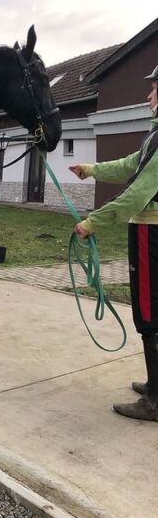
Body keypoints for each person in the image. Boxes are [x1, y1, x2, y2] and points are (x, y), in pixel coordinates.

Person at [69, 64, 158, 421]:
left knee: (150, 313)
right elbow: (129, 166)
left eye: (155, 89)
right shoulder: (154, 136)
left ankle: (153, 401)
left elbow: (136, 194)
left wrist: (93, 222)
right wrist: (90, 169)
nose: (149, 95)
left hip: (151, 231)